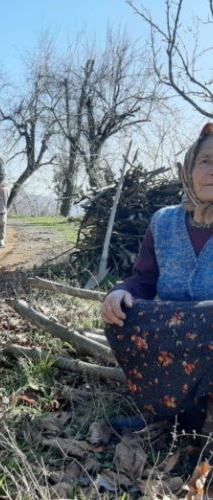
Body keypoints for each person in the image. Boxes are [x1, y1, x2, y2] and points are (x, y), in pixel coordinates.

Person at [101, 123, 213, 432]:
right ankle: (170, 409)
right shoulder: (164, 221)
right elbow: (144, 280)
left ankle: (202, 415)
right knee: (122, 316)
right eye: (206, 161)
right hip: (171, 334)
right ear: (190, 168)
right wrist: (121, 291)